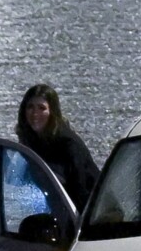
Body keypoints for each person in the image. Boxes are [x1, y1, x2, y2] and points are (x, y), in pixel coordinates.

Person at [15, 83, 101, 212]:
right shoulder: (31, 140)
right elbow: (18, 178)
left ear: (52, 112)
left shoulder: (68, 144)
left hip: (95, 211)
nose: (35, 114)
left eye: (41, 108)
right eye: (30, 107)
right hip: (62, 209)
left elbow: (81, 188)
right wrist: (2, 161)